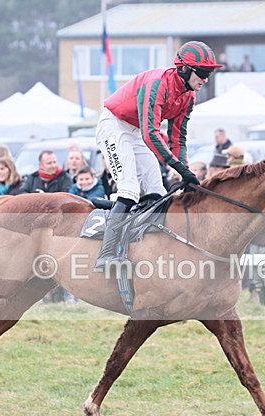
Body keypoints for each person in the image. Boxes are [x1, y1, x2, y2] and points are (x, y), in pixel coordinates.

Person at [93, 40, 222, 270]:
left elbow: (177, 138)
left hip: (136, 130)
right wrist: (179, 168)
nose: (205, 79)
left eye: (208, 73)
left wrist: (185, 169)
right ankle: (106, 253)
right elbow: (150, 133)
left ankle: (147, 246)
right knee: (129, 188)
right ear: (184, 68)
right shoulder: (157, 84)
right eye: (202, 72)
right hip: (114, 124)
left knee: (157, 191)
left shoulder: (189, 96)